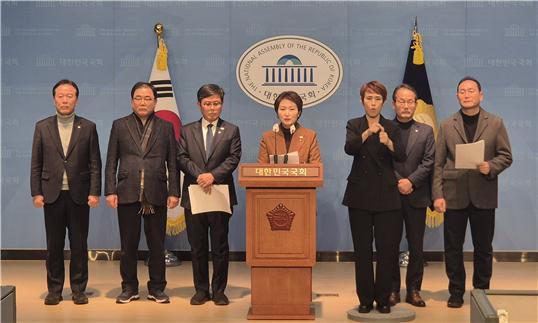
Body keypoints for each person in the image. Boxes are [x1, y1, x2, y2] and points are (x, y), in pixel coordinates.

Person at [432, 76, 512, 308]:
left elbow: (506, 155)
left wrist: (492, 166)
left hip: (483, 193)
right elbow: (438, 163)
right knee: (453, 247)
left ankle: (481, 291)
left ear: (481, 95)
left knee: (484, 247)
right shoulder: (447, 125)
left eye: (471, 91)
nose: (466, 94)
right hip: (453, 193)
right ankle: (456, 290)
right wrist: (438, 195)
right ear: (457, 96)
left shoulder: (495, 123)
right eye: (462, 91)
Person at [105, 82, 179, 304]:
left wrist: (174, 191)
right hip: (127, 191)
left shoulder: (165, 127)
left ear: (155, 102)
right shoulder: (119, 125)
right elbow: (111, 161)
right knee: (128, 245)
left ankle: (157, 288)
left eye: (148, 98)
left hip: (156, 192)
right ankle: (129, 288)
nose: (143, 102)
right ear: (131, 101)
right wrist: (110, 190)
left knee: (157, 244)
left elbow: (173, 163)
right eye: (138, 98)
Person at [31, 79, 101, 305]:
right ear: (54, 99)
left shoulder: (88, 127)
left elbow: (94, 163)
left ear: (76, 99)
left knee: (79, 245)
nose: (64, 100)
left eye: (69, 95)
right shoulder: (42, 126)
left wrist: (94, 192)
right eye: (60, 95)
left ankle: (79, 289)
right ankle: (54, 290)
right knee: (54, 246)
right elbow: (36, 163)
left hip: (79, 195)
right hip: (51, 195)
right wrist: (36, 192)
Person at [342, 80, 406, 314]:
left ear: (384, 102)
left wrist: (388, 141)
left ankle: (384, 299)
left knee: (387, 250)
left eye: (377, 99)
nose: (372, 103)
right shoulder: (354, 124)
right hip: (359, 195)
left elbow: (401, 154)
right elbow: (349, 148)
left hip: (387, 196)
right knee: (362, 250)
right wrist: (369, 131)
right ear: (362, 101)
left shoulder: (392, 126)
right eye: (369, 98)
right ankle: (365, 299)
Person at [177, 84, 241, 306]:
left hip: (220, 193)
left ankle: (219, 290)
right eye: (207, 104)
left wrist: (213, 176)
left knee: (220, 246)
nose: (212, 108)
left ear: (221, 104)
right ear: (199, 105)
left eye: (216, 104)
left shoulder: (232, 130)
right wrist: (201, 175)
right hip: (194, 193)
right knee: (198, 245)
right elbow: (182, 158)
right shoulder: (186, 130)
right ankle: (201, 290)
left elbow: (233, 158)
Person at [389, 84, 435, 307]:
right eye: (401, 101)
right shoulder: (385, 128)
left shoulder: (426, 131)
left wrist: (411, 182)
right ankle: (392, 290)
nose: (406, 106)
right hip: (391, 195)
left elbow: (429, 162)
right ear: (393, 103)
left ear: (416, 105)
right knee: (390, 244)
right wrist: (399, 181)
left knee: (416, 245)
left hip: (417, 195)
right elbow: (383, 161)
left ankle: (414, 290)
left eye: (410, 102)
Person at [257, 91, 321, 164]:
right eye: (283, 109)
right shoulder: (267, 137)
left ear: (299, 113)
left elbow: (316, 168)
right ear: (277, 113)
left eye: (292, 109)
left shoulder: (310, 136)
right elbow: (261, 168)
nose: (287, 114)